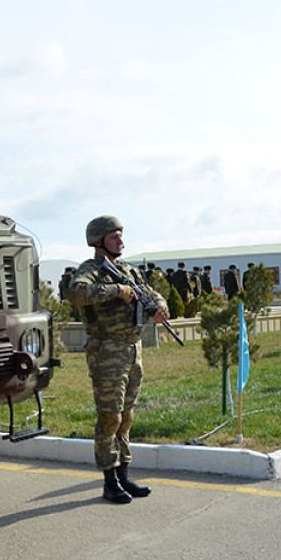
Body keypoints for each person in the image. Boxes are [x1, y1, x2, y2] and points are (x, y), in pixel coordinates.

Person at [67, 215, 168, 504]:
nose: (121, 241)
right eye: (114, 237)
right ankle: (109, 481)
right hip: (107, 351)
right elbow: (77, 293)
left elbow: (152, 295)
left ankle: (124, 475)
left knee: (126, 417)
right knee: (110, 417)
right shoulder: (91, 271)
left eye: (121, 236)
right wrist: (116, 291)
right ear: (98, 242)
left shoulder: (129, 271)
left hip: (132, 350)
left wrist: (159, 308)